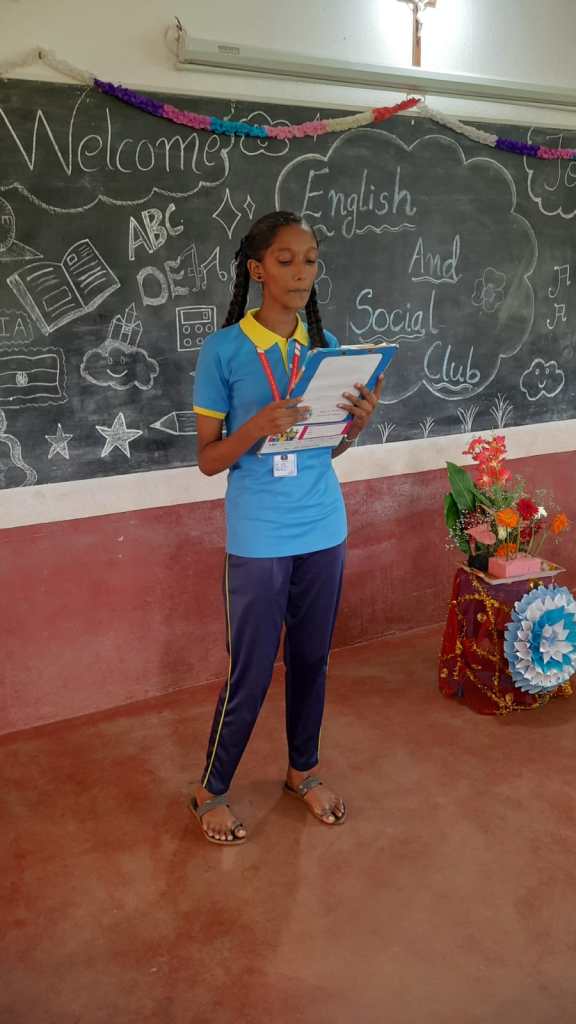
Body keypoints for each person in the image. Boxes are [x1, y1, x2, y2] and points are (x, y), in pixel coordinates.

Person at [191, 210, 383, 845]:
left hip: (323, 524)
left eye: (310, 260)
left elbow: (327, 448)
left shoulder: (326, 350)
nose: (302, 272)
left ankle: (304, 770)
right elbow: (208, 460)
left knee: (311, 658)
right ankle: (210, 790)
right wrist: (256, 426)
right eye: (286, 260)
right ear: (257, 269)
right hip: (259, 534)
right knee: (250, 669)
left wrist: (357, 425)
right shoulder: (223, 350)